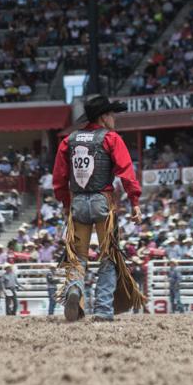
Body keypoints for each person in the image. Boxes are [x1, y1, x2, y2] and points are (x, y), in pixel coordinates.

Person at [52, 95, 144, 322]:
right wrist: (135, 202)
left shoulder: (69, 140)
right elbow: (126, 172)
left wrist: (66, 205)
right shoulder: (111, 138)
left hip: (78, 202)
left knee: (77, 257)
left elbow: (59, 178)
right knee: (108, 257)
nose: (114, 118)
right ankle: (103, 309)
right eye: (111, 114)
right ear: (103, 117)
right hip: (103, 201)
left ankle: (75, 288)